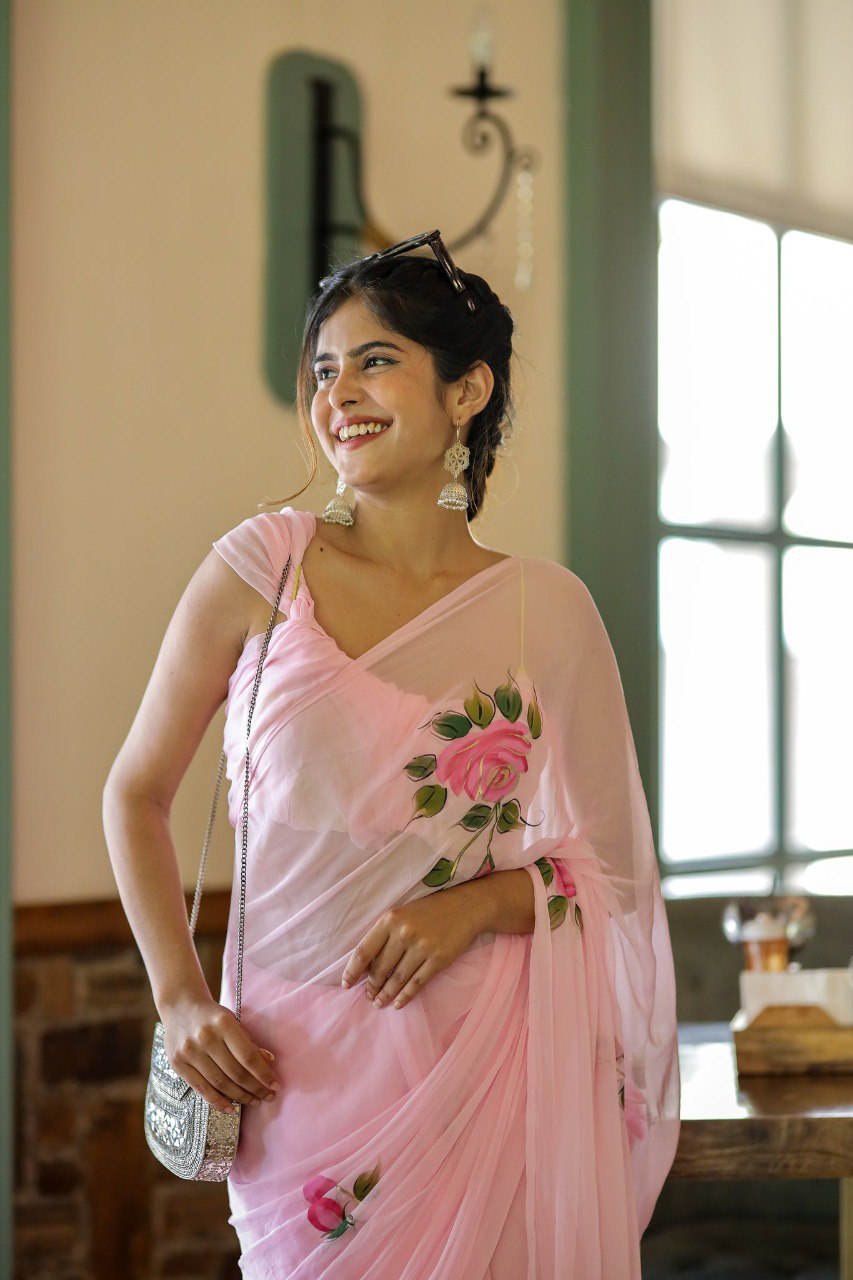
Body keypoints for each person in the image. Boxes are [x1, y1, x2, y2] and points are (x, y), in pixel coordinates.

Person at [102, 231, 681, 1279]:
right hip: (295, 1077)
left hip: (482, 1062)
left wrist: (472, 904)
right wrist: (180, 997)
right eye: (323, 369)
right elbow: (135, 793)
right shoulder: (261, 570)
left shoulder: (544, 610)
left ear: (467, 391)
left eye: (375, 360)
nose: (339, 394)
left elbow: (616, 874)